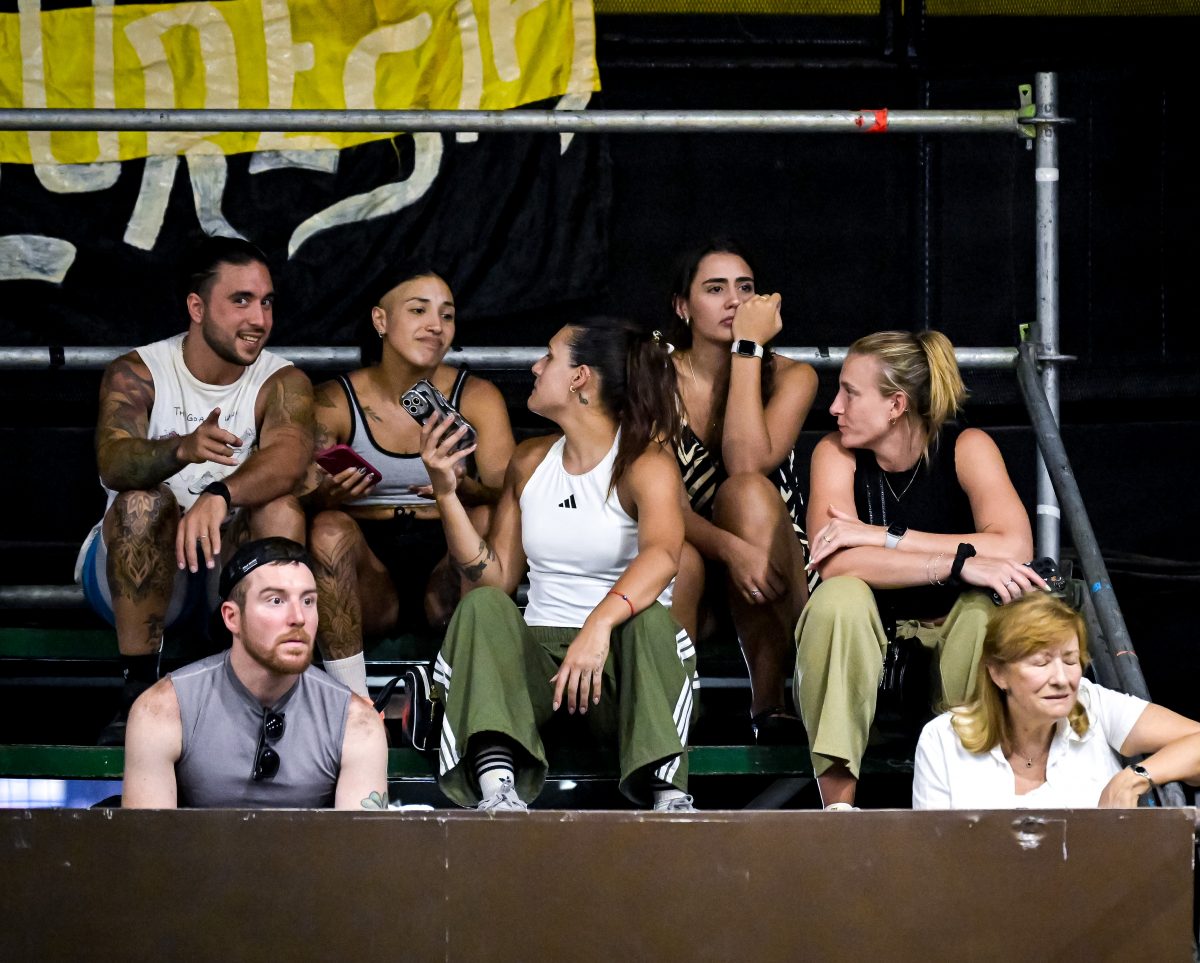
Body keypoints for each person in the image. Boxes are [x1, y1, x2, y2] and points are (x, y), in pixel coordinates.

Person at [420, 317, 697, 812]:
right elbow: (495, 576)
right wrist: (446, 493)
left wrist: (598, 626)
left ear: (579, 377)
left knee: (654, 620)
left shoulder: (646, 462)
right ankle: (498, 790)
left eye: (548, 357)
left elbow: (662, 557)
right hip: (541, 668)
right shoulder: (529, 461)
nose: (535, 366)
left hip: (618, 663)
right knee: (482, 606)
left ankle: (667, 795)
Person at [76, 237, 314, 744]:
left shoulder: (283, 380)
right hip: (130, 572)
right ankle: (136, 694)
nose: (259, 318)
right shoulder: (138, 370)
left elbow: (290, 460)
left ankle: (273, 696)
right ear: (197, 307)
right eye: (241, 300)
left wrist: (219, 494)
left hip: (223, 574)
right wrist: (180, 449)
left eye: (266, 301)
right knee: (143, 503)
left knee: (281, 507)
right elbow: (113, 462)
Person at [799, 329, 1048, 809]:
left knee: (981, 615)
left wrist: (885, 536)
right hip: (872, 645)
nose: (834, 407)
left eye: (850, 393)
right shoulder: (835, 453)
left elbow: (1014, 546)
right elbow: (835, 562)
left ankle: (970, 806)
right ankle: (838, 812)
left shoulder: (966, 446)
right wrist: (957, 564)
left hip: (953, 644)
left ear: (896, 405)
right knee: (837, 600)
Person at [305, 267, 514, 698]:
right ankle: (352, 703)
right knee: (327, 527)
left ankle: (467, 698)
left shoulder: (477, 396)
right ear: (380, 320)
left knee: (485, 516)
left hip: (447, 556)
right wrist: (327, 495)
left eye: (447, 315)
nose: (436, 325)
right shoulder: (334, 398)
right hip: (368, 566)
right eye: (419, 311)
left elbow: (508, 493)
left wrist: (460, 488)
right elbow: (299, 492)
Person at [667, 239, 817, 743]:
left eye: (746, 288)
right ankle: (670, 713)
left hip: (773, 560)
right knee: (678, 553)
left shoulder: (794, 376)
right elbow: (662, 507)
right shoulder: (655, 376)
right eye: (715, 289)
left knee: (746, 492)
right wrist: (731, 551)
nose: (735, 301)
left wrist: (747, 350)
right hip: (690, 554)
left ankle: (769, 703)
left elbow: (745, 462)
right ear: (683, 307)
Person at [122, 538, 388, 809]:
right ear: (232, 617)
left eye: (308, 601)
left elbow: (360, 836)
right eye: (276, 600)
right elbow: (148, 835)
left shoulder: (357, 723)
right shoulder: (163, 710)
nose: (298, 617)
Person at [912, 592, 1200, 809]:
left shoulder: (1091, 704)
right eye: (1041, 663)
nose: (1062, 679)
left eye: (1071, 660)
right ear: (998, 673)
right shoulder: (942, 740)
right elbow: (933, 859)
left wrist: (1135, 776)